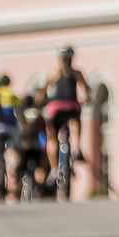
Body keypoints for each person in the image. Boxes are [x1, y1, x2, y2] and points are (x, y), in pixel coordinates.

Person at [36, 46, 92, 174]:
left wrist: (39, 101)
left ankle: (54, 169)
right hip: (73, 108)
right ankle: (77, 149)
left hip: (55, 110)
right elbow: (86, 92)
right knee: (77, 120)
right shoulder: (76, 73)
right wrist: (87, 99)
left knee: (52, 138)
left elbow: (41, 94)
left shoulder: (53, 74)